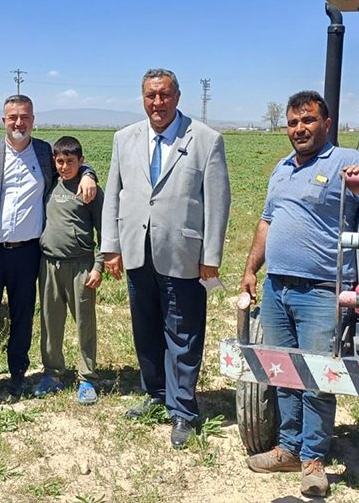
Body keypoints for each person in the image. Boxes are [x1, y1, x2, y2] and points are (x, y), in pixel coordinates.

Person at [239, 90, 359, 497]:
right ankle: (289, 448)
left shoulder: (349, 161)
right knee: (283, 372)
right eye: (293, 123)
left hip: (321, 290)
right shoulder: (283, 168)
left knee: (316, 376)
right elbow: (266, 221)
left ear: (326, 124)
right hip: (277, 287)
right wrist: (250, 269)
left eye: (307, 120)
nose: (299, 129)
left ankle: (313, 458)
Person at [101, 68, 231, 449]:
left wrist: (211, 256)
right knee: (146, 327)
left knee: (183, 332)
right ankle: (155, 394)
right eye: (150, 96)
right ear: (142, 98)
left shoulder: (206, 140)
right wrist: (112, 245)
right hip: (138, 250)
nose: (157, 103)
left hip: (183, 253)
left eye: (164, 95)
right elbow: (114, 193)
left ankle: (184, 411)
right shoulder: (124, 138)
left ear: (177, 96)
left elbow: (218, 203)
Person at [0, 94, 97, 397]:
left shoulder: (44, 153)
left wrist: (89, 174)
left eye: (24, 117)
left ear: (33, 120)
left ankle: (17, 373)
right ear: (3, 121)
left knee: (23, 315)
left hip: (28, 252)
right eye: (12, 117)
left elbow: (74, 165)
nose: (18, 123)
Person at [35, 136, 104, 404]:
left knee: (85, 323)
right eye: (60, 161)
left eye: (71, 162)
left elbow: (105, 229)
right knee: (50, 323)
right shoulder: (49, 184)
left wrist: (98, 266)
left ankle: (87, 378)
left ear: (81, 161)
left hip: (81, 267)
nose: (64, 167)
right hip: (49, 264)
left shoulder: (90, 190)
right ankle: (52, 373)